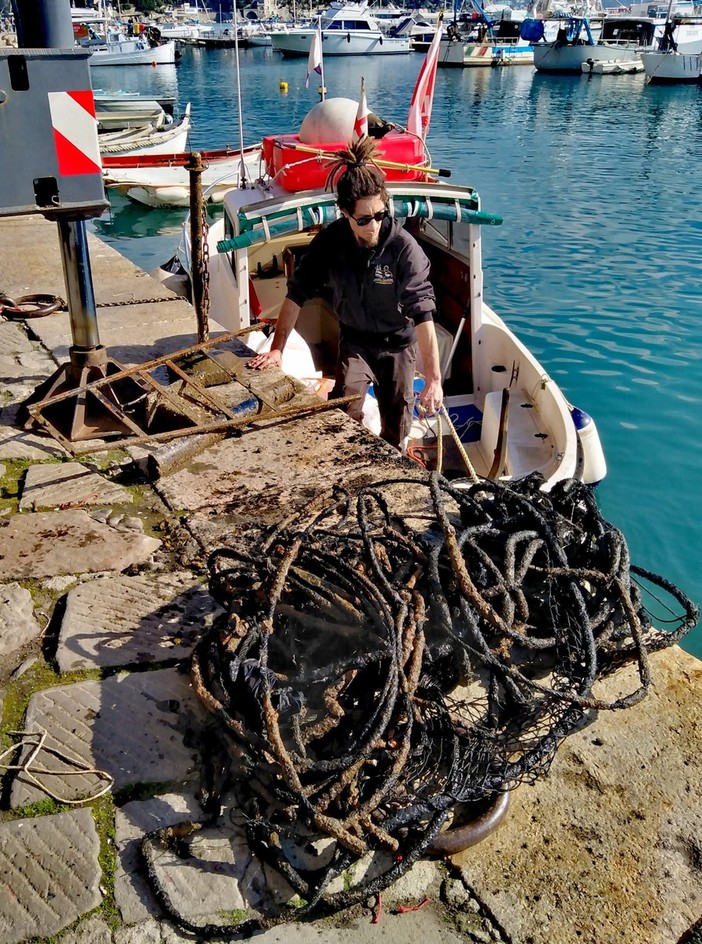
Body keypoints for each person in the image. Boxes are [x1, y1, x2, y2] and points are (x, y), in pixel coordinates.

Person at [247, 136, 443, 451]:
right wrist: (278, 348)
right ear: (345, 213)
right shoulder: (330, 243)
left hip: (398, 343)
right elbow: (297, 293)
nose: (374, 226)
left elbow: (423, 313)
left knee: (398, 423)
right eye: (363, 219)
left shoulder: (404, 249)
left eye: (380, 215)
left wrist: (433, 378)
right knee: (348, 404)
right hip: (356, 340)